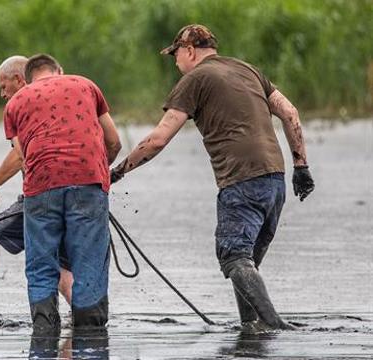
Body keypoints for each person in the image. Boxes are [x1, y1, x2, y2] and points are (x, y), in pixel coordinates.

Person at [110, 24, 314, 331]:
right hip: (275, 179)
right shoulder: (248, 70)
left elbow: (158, 140)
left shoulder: (195, 79)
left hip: (241, 180)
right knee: (245, 263)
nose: (175, 63)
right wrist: (301, 166)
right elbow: (290, 113)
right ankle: (251, 327)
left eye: (175, 55)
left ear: (189, 50)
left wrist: (117, 172)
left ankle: (274, 327)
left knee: (234, 257)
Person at [4, 54, 121, 334]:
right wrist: (99, 174)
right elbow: (114, 142)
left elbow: (22, 156)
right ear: (59, 71)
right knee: (89, 260)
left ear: (29, 77)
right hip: (89, 180)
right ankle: (91, 335)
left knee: (41, 262)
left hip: (41, 185)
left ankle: (44, 331)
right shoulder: (86, 85)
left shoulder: (16, 102)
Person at [0, 55, 74, 314]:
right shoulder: (58, 98)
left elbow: (21, 155)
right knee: (61, 266)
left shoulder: (24, 104)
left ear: (19, 80)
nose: (2, 94)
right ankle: (89, 324)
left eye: (4, 86)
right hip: (76, 192)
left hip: (40, 196)